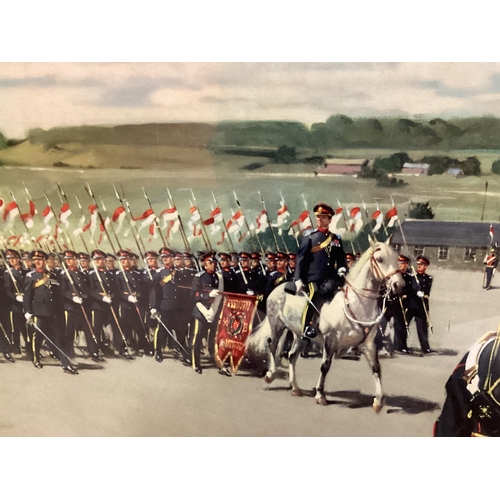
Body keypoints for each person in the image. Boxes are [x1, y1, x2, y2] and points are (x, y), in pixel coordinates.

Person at [294, 202, 347, 340]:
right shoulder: (310, 237)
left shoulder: (336, 239)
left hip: (330, 277)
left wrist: (342, 270)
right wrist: (298, 279)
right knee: (314, 293)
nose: (319, 219)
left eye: (323, 217)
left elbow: (341, 258)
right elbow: (301, 259)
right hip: (313, 277)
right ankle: (306, 326)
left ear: (329, 219)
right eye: (318, 217)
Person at [23, 250, 78, 374]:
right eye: (35, 260)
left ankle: (65, 364)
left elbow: (57, 295)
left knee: (58, 337)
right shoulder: (30, 276)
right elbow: (27, 295)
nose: (38, 262)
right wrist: (27, 311)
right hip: (38, 312)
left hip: (52, 312)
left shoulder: (52, 275)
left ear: (44, 261)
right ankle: (36, 359)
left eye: (40, 260)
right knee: (37, 337)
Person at [188, 251, 222, 374]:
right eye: (210, 262)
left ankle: (215, 359)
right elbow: (194, 295)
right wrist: (207, 294)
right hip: (201, 311)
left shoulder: (219, 277)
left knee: (214, 338)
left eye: (214, 262)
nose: (213, 264)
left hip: (214, 311)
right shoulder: (199, 277)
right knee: (196, 339)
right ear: (204, 264)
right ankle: (195, 363)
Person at [405, 255, 434, 354]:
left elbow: (427, 292)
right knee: (404, 325)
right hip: (411, 305)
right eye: (418, 264)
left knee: (422, 328)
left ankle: (425, 347)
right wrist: (416, 292)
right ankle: (401, 345)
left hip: (421, 307)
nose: (419, 266)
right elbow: (409, 289)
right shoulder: (412, 276)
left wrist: (423, 294)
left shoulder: (428, 278)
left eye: (422, 264)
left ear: (426, 266)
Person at [3, 249, 28, 356]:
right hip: (14, 305)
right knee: (15, 327)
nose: (11, 261)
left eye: (13, 258)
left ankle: (28, 347)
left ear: (18, 258)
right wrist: (16, 297)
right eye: (9, 259)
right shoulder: (8, 272)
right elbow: (7, 290)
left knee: (26, 327)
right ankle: (16, 346)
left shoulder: (25, 272)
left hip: (26, 303)